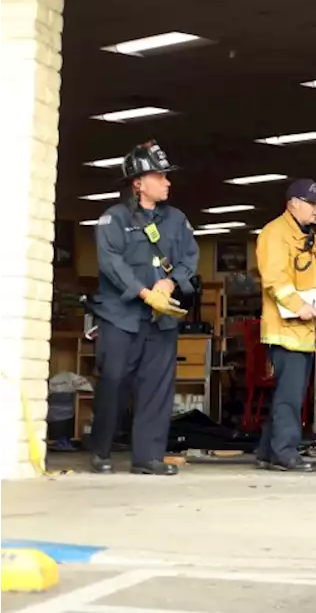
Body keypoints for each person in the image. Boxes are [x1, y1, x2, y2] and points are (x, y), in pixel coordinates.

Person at [90, 141, 198, 476]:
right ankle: (101, 450)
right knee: (113, 382)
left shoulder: (177, 220)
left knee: (157, 387)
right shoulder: (114, 220)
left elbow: (189, 259)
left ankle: (148, 457)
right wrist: (142, 291)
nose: (167, 182)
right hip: (121, 318)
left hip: (159, 320)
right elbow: (111, 263)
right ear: (138, 182)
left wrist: (169, 283)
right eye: (160, 176)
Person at [255, 178, 316, 472]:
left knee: (288, 394)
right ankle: (285, 452)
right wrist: (297, 306)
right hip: (287, 329)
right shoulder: (274, 234)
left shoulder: (309, 236)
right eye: (313, 204)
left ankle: (268, 451)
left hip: (306, 329)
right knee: (289, 397)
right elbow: (275, 279)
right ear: (294, 204)